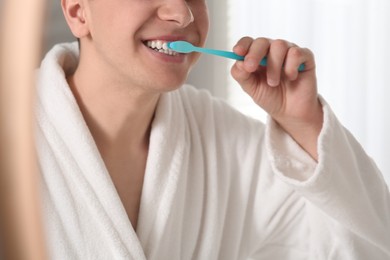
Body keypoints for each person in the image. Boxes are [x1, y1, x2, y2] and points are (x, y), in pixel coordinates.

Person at [36, 0, 390, 259]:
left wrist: (304, 122)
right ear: (78, 11)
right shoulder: (15, 136)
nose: (182, 12)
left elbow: (364, 245)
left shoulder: (229, 146)